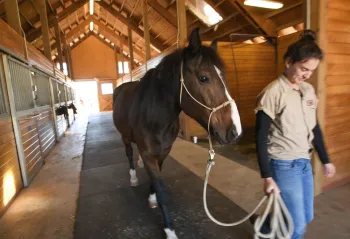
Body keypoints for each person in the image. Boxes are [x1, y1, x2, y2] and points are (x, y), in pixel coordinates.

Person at [254, 30, 336, 239]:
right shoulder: (273, 92)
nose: (307, 75)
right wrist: (267, 176)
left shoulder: (308, 91)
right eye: (303, 68)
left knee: (306, 216)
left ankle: (264, 224)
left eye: (311, 70)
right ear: (288, 62)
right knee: (297, 227)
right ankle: (271, 226)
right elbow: (261, 136)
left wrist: (325, 160)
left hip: (304, 162)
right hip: (283, 163)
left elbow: (314, 127)